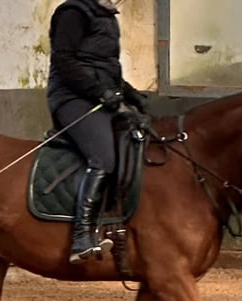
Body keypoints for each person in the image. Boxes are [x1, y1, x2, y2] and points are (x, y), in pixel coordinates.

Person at [46, 0, 148, 263]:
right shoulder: (73, 13)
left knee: (135, 145)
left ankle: (117, 225)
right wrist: (98, 92)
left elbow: (106, 69)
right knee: (103, 156)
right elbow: (64, 60)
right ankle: (81, 236)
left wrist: (131, 94)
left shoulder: (108, 17)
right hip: (72, 98)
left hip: (100, 98)